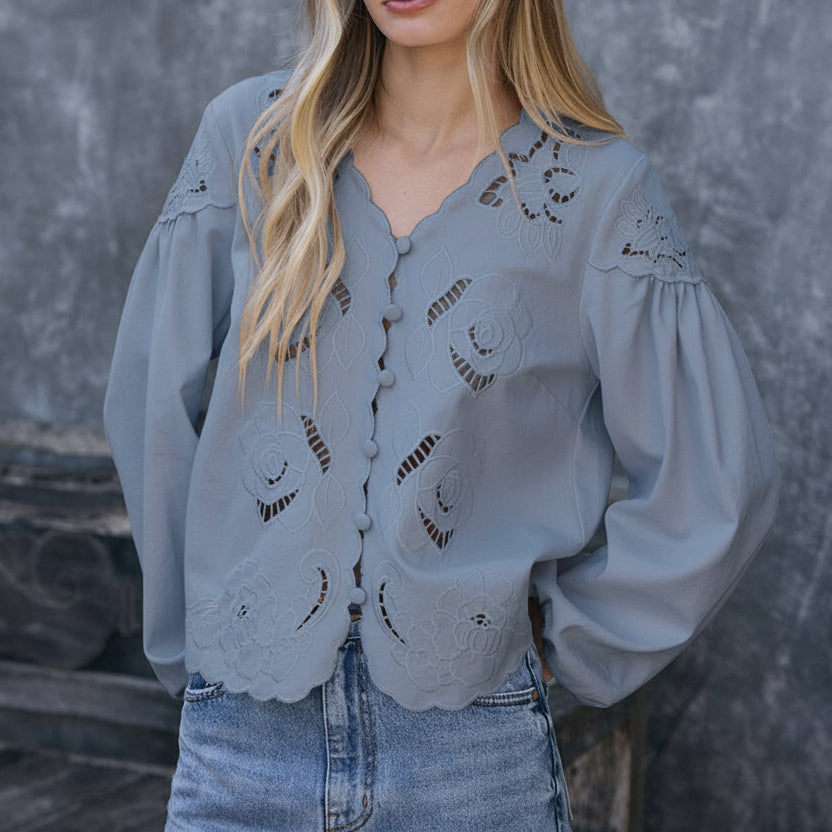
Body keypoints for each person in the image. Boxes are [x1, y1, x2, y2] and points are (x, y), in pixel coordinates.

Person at [103, 1, 780, 829]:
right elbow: (149, 403)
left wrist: (570, 643)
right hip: (241, 744)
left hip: (472, 761)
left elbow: (715, 480)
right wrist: (198, 641)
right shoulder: (256, 141)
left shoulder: (594, 191)